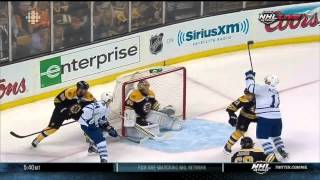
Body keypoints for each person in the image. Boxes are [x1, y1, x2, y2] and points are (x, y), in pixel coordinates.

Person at [31, 81, 95, 147]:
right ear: (77, 88)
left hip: (76, 111)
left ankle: (88, 136)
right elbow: (57, 100)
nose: (83, 92)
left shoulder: (89, 96)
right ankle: (38, 139)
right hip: (62, 111)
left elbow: (95, 106)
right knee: (52, 128)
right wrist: (63, 109)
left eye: (85, 90)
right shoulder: (69, 92)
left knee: (87, 122)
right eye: (81, 90)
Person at [245, 70, 289, 159]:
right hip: (277, 118)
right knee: (275, 136)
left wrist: (250, 76)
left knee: (262, 138)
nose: (266, 81)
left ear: (269, 81)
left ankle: (270, 154)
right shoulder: (275, 92)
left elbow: (250, 87)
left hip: (265, 118)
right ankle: (282, 150)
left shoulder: (264, 88)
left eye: (267, 80)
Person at [78, 92, 118, 163]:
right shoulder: (101, 106)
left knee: (100, 133)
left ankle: (93, 147)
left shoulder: (103, 106)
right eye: (109, 101)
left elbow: (102, 121)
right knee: (101, 140)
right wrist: (88, 119)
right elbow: (87, 110)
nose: (110, 103)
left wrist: (109, 128)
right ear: (106, 100)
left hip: (87, 123)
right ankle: (104, 159)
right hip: (87, 124)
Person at [224, 89, 256, 154]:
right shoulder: (243, 99)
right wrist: (232, 116)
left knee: (269, 125)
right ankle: (228, 146)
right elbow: (231, 108)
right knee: (239, 131)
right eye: (246, 95)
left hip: (259, 116)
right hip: (245, 116)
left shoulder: (263, 98)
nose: (247, 97)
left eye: (249, 95)